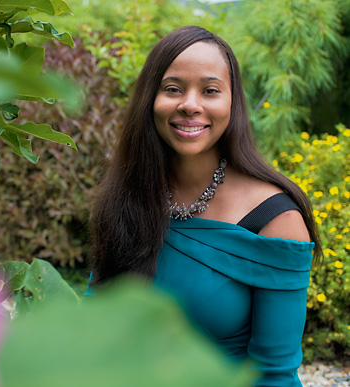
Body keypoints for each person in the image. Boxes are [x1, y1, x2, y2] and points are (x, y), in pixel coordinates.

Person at [87, 26, 322, 386]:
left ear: (232, 102)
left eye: (210, 90)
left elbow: (274, 376)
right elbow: (93, 324)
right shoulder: (128, 197)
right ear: (150, 98)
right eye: (173, 89)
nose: (190, 104)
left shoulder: (277, 220)